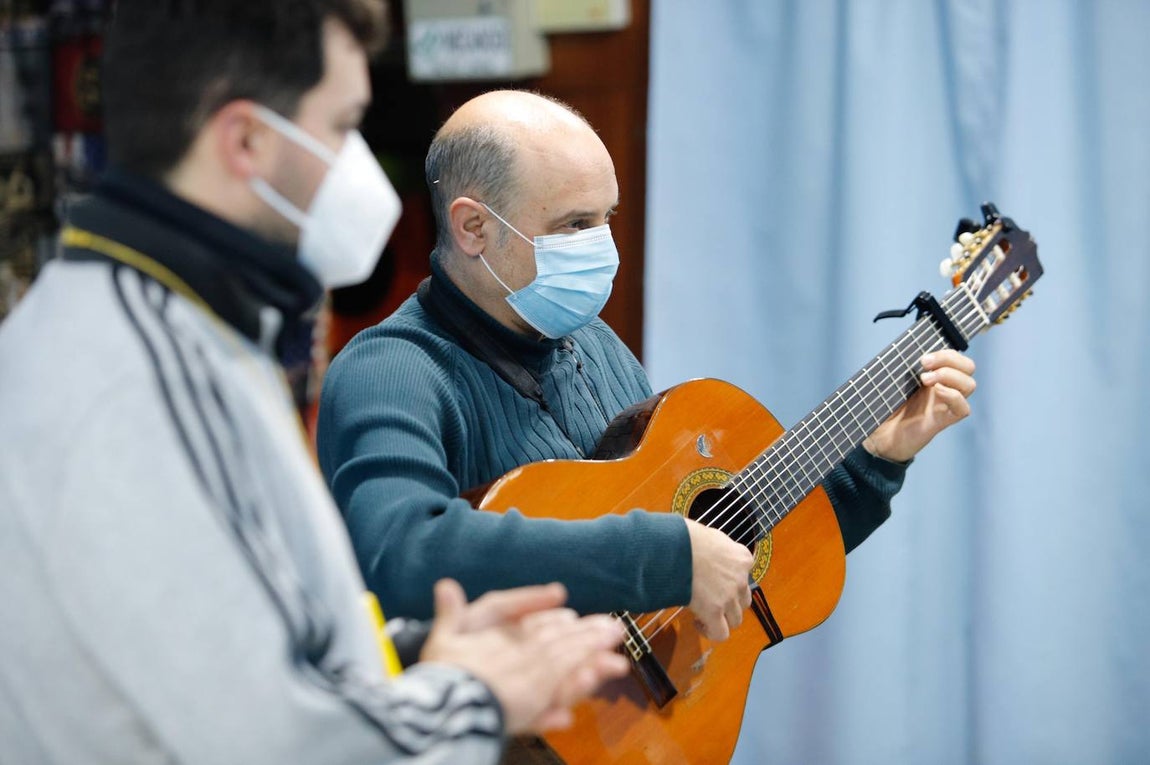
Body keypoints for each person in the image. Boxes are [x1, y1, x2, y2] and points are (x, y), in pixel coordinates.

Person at [0, 7, 629, 764]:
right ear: (243, 141)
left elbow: (252, 621)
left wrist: (418, 644)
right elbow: (278, 739)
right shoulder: (139, 377)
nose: (360, 167)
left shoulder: (180, 329)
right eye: (341, 126)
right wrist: (482, 693)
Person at [315, 89, 979, 640]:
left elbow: (733, 562)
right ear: (472, 228)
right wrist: (666, 555)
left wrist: (875, 462)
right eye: (575, 224)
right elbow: (399, 553)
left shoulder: (596, 346)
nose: (602, 247)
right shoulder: (390, 372)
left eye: (607, 217)